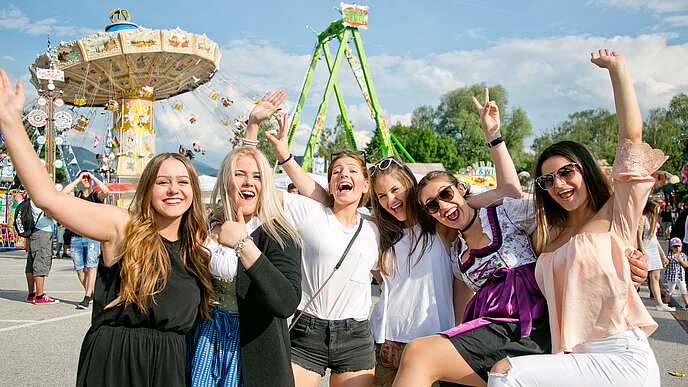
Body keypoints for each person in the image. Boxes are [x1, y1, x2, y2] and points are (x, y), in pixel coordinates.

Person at [0, 69, 214, 387]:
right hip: (115, 363)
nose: (173, 190)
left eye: (183, 182)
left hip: (170, 366)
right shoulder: (123, 227)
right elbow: (47, 198)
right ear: (147, 190)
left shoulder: (197, 247)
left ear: (193, 192)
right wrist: (10, 123)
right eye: (162, 182)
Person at [487, 50, 661, 386]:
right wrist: (495, 137)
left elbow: (631, 139)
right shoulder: (546, 233)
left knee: (506, 374)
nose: (559, 184)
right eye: (548, 179)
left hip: (620, 355)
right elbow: (505, 194)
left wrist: (618, 70)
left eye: (567, 172)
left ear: (586, 169)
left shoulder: (614, 215)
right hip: (572, 360)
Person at [394, 89, 551, 386]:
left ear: (461, 189)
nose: (442, 206)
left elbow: (511, 192)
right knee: (431, 365)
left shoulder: (505, 215)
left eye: (446, 194)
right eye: (432, 205)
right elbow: (460, 316)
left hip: (528, 329)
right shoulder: (458, 256)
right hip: (490, 334)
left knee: (419, 353)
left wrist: (494, 135)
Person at [251, 98, 380, 387]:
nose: (343, 175)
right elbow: (256, 188)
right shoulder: (310, 211)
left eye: (352, 172)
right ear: (329, 184)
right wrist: (259, 134)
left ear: (366, 185)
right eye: (336, 172)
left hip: (356, 337)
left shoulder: (375, 228)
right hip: (307, 331)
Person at [186, 146, 303, 386]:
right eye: (240, 174)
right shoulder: (205, 226)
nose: (249, 182)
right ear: (226, 180)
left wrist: (243, 245)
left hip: (251, 349)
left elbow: (286, 302)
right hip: (204, 340)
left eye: (257, 176)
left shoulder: (279, 234)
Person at [367, 155, 458, 385]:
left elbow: (506, 192)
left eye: (396, 189)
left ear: (410, 184)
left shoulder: (440, 227)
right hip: (384, 346)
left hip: (432, 345)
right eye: (382, 196)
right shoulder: (382, 234)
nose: (391, 200)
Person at [62, 170, 110, 309]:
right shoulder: (75, 196)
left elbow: (106, 191)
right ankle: (91, 293)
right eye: (84, 178)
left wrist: (93, 178)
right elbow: (63, 194)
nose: (86, 179)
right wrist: (77, 180)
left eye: (87, 178)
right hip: (76, 235)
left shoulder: (95, 196)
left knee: (91, 266)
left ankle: (87, 296)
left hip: (92, 236)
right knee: (79, 269)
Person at [642, 200, 673, 311]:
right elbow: (639, 237)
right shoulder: (643, 219)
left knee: (655, 277)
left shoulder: (653, 220)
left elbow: (654, 238)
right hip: (646, 249)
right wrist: (643, 253)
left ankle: (659, 304)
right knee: (641, 277)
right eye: (657, 209)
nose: (658, 211)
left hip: (654, 249)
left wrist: (663, 255)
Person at [26, 198, 59, 304]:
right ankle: (39, 296)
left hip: (34, 232)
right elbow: (50, 214)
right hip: (42, 231)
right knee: (41, 262)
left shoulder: (30, 195)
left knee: (31, 263)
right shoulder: (40, 197)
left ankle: (31, 294)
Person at [665, 238, 688, 310]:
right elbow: (666, 264)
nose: (677, 249)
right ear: (671, 247)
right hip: (671, 276)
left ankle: (687, 304)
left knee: (683, 289)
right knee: (670, 289)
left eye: (679, 246)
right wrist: (665, 263)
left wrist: (681, 260)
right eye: (675, 247)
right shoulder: (669, 256)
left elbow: (686, 265)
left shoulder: (683, 255)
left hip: (680, 276)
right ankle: (667, 302)